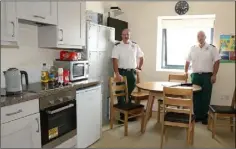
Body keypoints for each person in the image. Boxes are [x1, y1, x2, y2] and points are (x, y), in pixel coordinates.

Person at [184, 31, 221, 125]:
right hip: (195, 76)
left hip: (207, 76)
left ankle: (204, 116)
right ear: (197, 38)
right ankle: (197, 115)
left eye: (202, 36)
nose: (200, 38)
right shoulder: (192, 48)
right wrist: (186, 72)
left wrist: (214, 74)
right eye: (198, 36)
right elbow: (187, 61)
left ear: (205, 37)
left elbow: (217, 61)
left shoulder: (211, 48)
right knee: (196, 96)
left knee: (206, 96)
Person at [111, 28, 144, 122]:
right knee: (120, 94)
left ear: (130, 35)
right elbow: (114, 61)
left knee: (128, 94)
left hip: (132, 73)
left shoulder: (135, 45)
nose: (126, 36)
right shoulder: (117, 46)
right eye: (124, 34)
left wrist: (139, 68)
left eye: (127, 34)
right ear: (121, 35)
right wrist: (117, 73)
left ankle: (127, 114)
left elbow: (141, 57)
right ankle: (123, 116)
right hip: (121, 72)